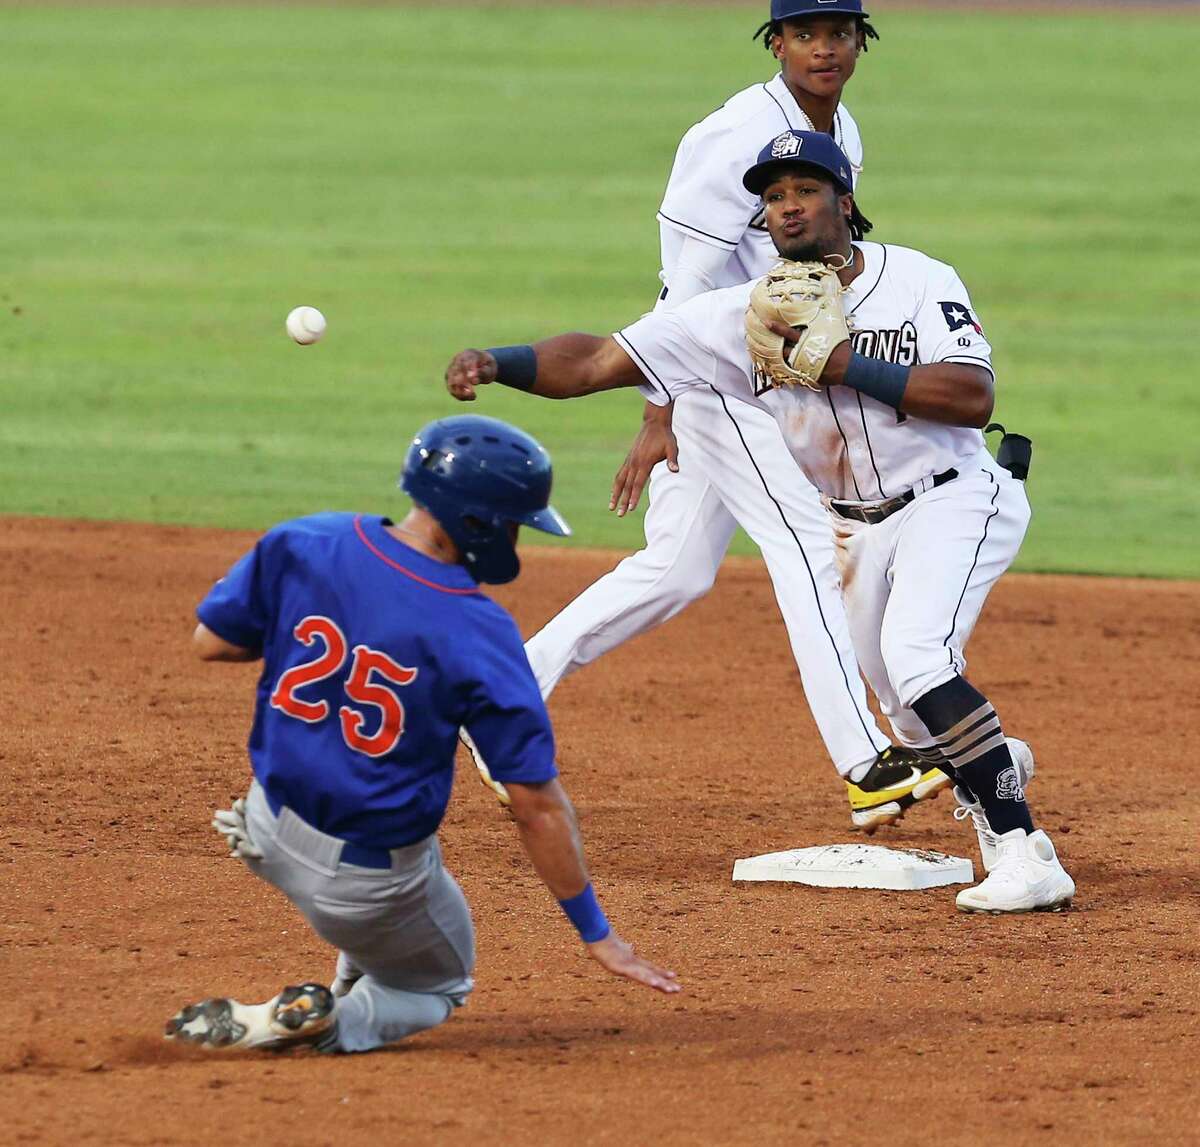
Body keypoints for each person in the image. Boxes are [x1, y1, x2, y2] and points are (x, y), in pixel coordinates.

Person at [443, 132, 1075, 913]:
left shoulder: (918, 280)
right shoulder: (738, 317)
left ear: (843, 201)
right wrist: (497, 362)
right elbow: (597, 360)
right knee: (908, 710)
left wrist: (839, 363)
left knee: (916, 655)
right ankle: (991, 763)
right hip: (855, 529)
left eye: (804, 191)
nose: (787, 208)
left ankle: (1023, 850)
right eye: (773, 198)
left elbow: (972, 397)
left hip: (955, 496)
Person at [511, 0, 949, 833]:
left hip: (770, 381)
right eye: (807, 33)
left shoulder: (838, 131)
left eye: (841, 33)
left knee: (674, 567)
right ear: (775, 42)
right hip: (717, 376)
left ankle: (507, 691)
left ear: (862, 42)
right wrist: (656, 406)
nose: (826, 48)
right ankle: (867, 764)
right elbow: (684, 285)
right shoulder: (730, 138)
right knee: (811, 545)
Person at [164, 414, 679, 1054]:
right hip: (367, 882)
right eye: (515, 522)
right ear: (478, 523)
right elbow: (536, 807)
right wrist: (597, 933)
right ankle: (315, 1024)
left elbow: (211, 642)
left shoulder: (306, 541)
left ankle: (346, 978)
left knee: (402, 905)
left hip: (263, 823)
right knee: (435, 984)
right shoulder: (480, 633)